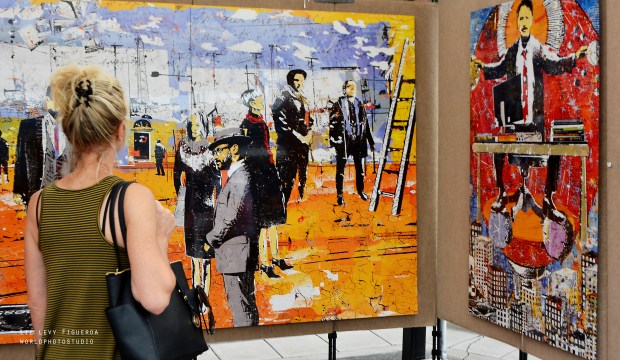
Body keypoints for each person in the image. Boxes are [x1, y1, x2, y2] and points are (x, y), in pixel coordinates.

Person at [24, 65, 176, 359]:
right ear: (120, 131)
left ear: (70, 131)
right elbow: (155, 298)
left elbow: (38, 305)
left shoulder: (39, 203)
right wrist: (161, 237)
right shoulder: (132, 197)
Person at [473, 0, 587, 221]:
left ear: (533, 21)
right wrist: (481, 67)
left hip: (535, 122)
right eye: (520, 18)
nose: (524, 22)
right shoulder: (511, 51)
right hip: (514, 123)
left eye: (527, 18)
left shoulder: (538, 49)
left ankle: (548, 198)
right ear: (516, 21)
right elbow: (496, 70)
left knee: (554, 151)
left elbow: (555, 64)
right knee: (498, 148)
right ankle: (501, 193)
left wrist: (575, 57)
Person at [206, 128, 259, 327]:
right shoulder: (238, 175)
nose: (215, 156)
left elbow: (230, 217)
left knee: (241, 309)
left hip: (237, 255)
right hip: (237, 253)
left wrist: (210, 239)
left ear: (234, 148)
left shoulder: (240, 178)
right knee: (244, 305)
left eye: (219, 150)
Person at [240, 89, 291, 279]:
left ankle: (276, 257)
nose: (262, 101)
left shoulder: (260, 120)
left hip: (268, 172)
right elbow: (246, 152)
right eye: (259, 99)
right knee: (262, 222)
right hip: (257, 174)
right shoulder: (247, 124)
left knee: (274, 218)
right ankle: (265, 263)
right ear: (252, 103)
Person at [173, 117, 220, 293]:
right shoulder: (182, 148)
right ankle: (196, 287)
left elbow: (217, 180)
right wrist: (181, 193)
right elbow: (177, 175)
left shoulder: (209, 148)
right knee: (193, 251)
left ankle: (205, 292)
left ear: (203, 126)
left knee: (207, 253)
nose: (195, 128)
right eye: (192, 125)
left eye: (198, 124)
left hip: (207, 205)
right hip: (191, 205)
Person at [329, 80, 375, 206]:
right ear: (344, 89)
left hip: (358, 142)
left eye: (354, 87)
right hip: (344, 142)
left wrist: (370, 141)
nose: (352, 90)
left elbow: (365, 125)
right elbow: (332, 124)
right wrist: (334, 142)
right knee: (340, 170)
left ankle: (361, 190)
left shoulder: (359, 104)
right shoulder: (338, 104)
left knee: (360, 169)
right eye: (349, 87)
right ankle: (339, 195)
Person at [272, 69, 314, 204]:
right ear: (290, 81)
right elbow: (281, 123)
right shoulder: (283, 97)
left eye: (302, 80)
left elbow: (309, 120)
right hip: (288, 146)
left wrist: (310, 133)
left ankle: (300, 197)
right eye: (297, 80)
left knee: (303, 173)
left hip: (303, 145)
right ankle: (281, 207)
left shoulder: (303, 98)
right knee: (286, 178)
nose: (300, 83)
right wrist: (299, 137)